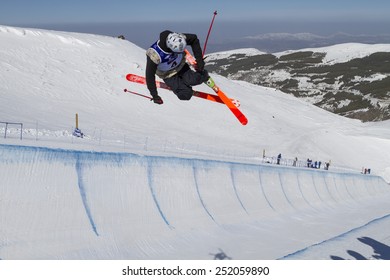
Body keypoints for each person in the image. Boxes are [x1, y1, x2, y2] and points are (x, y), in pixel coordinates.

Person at [145, 30, 213, 104]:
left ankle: (203, 75)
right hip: (167, 74)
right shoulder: (154, 55)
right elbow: (149, 76)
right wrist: (155, 95)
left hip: (181, 65)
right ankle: (185, 90)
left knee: (195, 80)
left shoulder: (178, 38)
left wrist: (200, 60)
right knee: (185, 95)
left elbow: (194, 39)